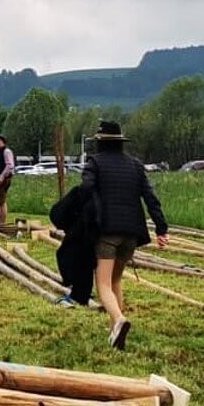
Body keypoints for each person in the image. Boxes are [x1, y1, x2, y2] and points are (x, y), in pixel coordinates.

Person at [82, 121, 169, 349]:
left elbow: (86, 190)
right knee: (116, 280)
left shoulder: (95, 163)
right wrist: (161, 229)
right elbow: (151, 199)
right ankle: (115, 333)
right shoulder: (135, 165)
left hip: (107, 232)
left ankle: (119, 320)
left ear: (100, 142)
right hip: (131, 232)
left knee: (102, 283)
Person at [49, 176, 100, 308]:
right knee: (80, 259)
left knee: (79, 259)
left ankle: (81, 293)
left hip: (85, 229)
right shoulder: (82, 193)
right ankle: (81, 292)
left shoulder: (84, 192)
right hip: (82, 227)